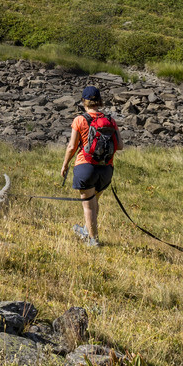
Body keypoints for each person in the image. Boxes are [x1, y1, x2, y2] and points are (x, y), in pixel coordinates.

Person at [59, 85, 122, 247]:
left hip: (86, 167)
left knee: (88, 207)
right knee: (94, 203)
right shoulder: (110, 120)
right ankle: (87, 231)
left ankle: (93, 241)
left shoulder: (80, 120)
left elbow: (72, 147)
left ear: (84, 102)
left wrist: (65, 165)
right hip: (106, 169)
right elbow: (120, 145)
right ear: (99, 102)